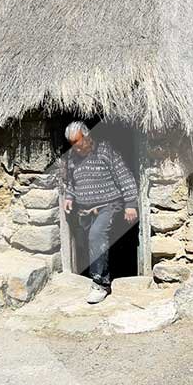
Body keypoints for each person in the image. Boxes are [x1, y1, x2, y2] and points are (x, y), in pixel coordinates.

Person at [62, 121, 139, 304]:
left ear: (87, 136)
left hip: (109, 205)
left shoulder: (105, 151)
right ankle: (100, 274)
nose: (75, 147)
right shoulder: (72, 157)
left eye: (78, 141)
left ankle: (100, 284)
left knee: (96, 236)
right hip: (85, 210)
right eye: (71, 143)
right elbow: (72, 181)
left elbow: (124, 176)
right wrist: (69, 197)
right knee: (88, 242)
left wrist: (130, 204)